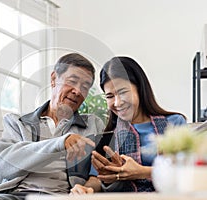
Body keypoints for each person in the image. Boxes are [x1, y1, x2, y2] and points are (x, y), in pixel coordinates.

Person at [0, 53, 105, 200]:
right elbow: (5, 165)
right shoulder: (18, 122)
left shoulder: (92, 125)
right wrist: (59, 143)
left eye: (85, 87)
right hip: (15, 195)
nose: (77, 91)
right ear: (53, 79)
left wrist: (87, 189)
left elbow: (99, 173)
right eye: (72, 81)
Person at [70, 56, 186, 194]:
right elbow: (96, 178)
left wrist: (141, 172)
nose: (117, 103)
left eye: (123, 92)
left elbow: (187, 172)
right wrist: (86, 189)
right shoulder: (108, 135)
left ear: (140, 88)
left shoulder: (174, 123)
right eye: (110, 96)